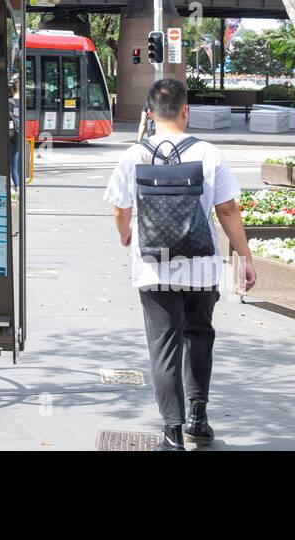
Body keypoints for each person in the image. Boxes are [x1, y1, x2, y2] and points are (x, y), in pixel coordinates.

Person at [104, 78, 257, 451]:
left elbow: (120, 209)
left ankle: (172, 430)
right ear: (185, 111)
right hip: (201, 268)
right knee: (199, 337)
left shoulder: (134, 154)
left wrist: (126, 235)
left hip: (154, 268)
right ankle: (198, 419)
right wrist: (245, 257)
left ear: (150, 114)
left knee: (164, 346)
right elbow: (228, 210)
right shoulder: (209, 153)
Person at [8, 76, 22, 190]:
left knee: (10, 165)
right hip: (18, 135)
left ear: (11, 90)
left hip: (8, 134)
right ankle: (18, 188)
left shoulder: (9, 101)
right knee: (15, 165)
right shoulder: (24, 102)